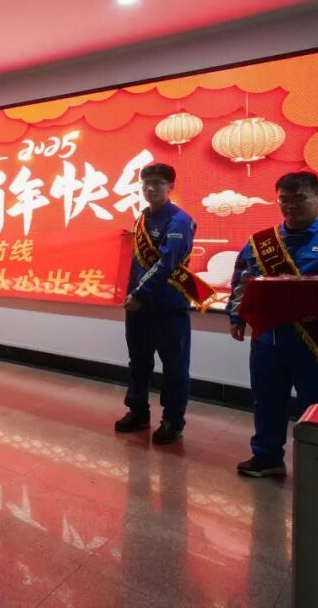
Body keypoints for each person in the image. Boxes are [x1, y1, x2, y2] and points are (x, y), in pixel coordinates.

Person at [228, 171, 318, 478]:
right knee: (267, 400)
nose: (291, 205)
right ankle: (267, 457)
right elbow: (242, 281)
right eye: (284, 199)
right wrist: (236, 317)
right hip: (268, 340)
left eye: (300, 198)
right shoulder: (260, 242)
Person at [115, 163, 214, 444]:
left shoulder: (179, 220)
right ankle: (138, 411)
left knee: (174, 367)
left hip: (168, 306)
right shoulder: (142, 219)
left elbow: (167, 264)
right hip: (139, 308)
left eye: (158, 183)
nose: (151, 188)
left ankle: (173, 420)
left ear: (170, 187)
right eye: (146, 183)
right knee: (138, 362)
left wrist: (139, 294)